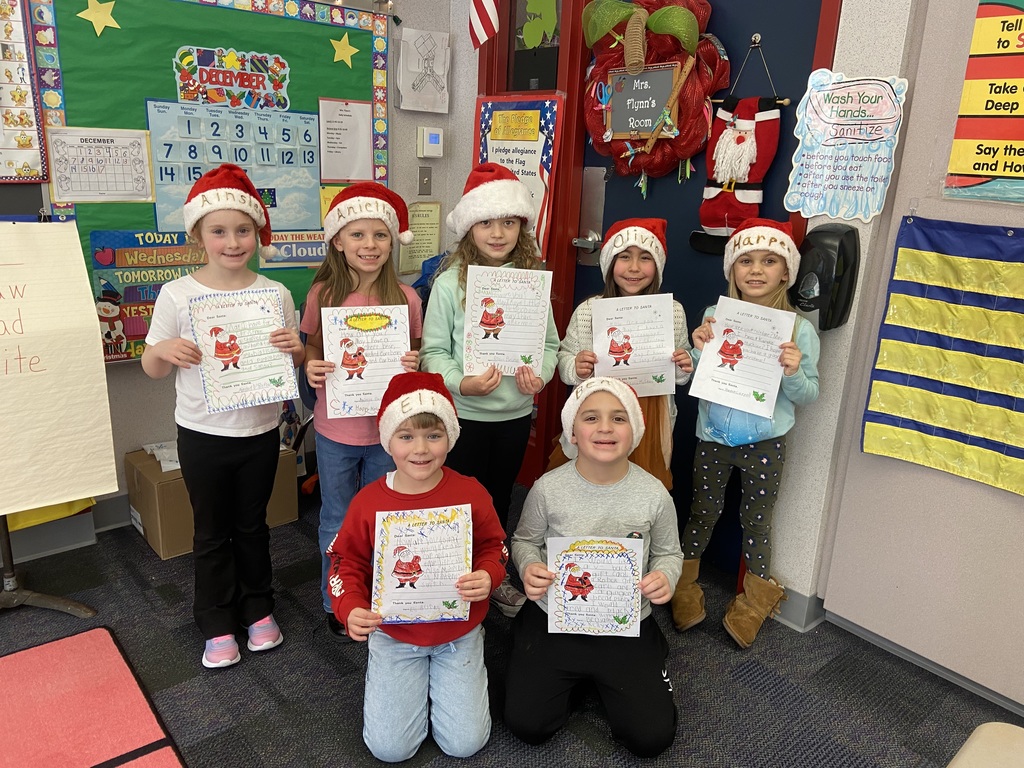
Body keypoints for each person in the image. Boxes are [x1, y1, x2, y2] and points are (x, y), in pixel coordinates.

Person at [141, 163, 304, 669]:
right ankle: (214, 620)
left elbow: (293, 358)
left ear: (257, 233)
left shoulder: (274, 294)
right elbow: (150, 368)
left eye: (243, 230)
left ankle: (257, 608)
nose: (232, 242)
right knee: (211, 531)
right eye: (219, 231)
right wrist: (166, 349)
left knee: (253, 527)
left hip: (259, 432)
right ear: (198, 235)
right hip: (202, 433)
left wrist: (295, 349)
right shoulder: (178, 294)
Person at [326, 372, 507, 762]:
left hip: (458, 630)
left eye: (433, 435)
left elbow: (496, 546)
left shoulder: (470, 492)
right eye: (406, 436)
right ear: (387, 440)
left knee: (465, 744)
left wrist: (489, 574)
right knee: (389, 750)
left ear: (451, 438)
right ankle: (411, 688)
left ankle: (446, 685)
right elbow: (345, 562)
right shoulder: (368, 502)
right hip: (395, 634)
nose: (420, 449)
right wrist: (350, 607)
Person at [504, 377, 682, 758]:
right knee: (527, 725)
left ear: (634, 430)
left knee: (651, 739)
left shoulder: (654, 494)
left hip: (625, 622)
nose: (605, 427)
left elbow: (670, 553)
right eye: (591, 418)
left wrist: (666, 576)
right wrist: (530, 567)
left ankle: (646, 652)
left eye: (619, 418)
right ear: (572, 430)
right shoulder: (548, 488)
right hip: (555, 616)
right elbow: (523, 541)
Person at [671, 217, 820, 648]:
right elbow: (704, 376)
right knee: (703, 511)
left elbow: (809, 393)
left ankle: (754, 602)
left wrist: (791, 371)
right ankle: (684, 584)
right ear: (732, 270)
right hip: (714, 437)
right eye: (745, 261)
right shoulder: (715, 317)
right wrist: (694, 354)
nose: (756, 270)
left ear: (785, 272)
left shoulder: (799, 331)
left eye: (769, 260)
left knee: (757, 522)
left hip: (765, 443)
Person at [420, 162, 559, 617]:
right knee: (458, 501)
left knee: (498, 499)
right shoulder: (447, 285)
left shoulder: (532, 282)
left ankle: (493, 575)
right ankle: (451, 581)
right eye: (486, 222)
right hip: (463, 418)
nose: (498, 232)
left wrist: (538, 374)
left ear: (522, 226)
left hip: (514, 416)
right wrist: (462, 382)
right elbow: (433, 353)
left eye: (509, 221)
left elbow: (549, 344)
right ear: (469, 228)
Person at [301, 182, 422, 642]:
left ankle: (380, 592)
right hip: (335, 429)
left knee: (382, 514)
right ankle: (338, 600)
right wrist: (311, 366)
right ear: (337, 241)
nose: (369, 245)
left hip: (389, 432)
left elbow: (416, 355)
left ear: (392, 242)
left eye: (380, 235)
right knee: (335, 514)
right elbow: (310, 348)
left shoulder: (407, 298)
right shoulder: (324, 294)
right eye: (358, 235)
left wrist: (415, 362)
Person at [552, 217, 693, 489]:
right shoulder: (588, 311)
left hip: (651, 412)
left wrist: (682, 364)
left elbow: (680, 372)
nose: (634, 268)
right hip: (599, 412)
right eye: (624, 257)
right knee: (591, 478)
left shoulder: (672, 311)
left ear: (658, 266)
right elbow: (565, 357)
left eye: (645, 258)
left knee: (643, 484)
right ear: (609, 264)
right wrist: (576, 366)